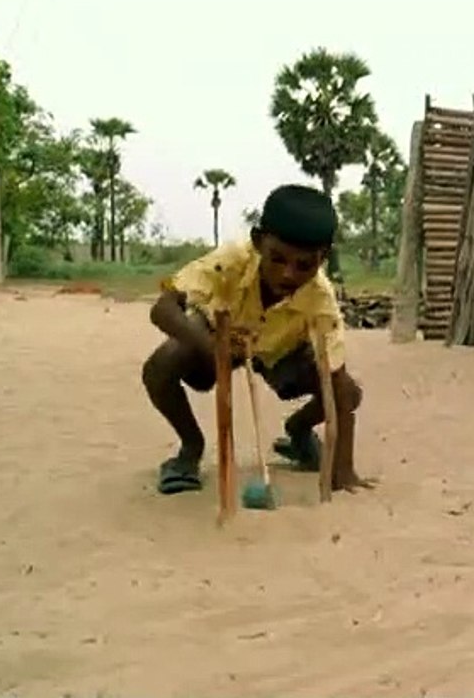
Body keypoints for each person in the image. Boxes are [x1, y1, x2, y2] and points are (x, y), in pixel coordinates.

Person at [142, 184, 370, 495]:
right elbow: (163, 309)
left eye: (304, 265)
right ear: (259, 241)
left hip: (281, 354)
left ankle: (299, 432)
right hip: (220, 340)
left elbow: (337, 383)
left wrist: (343, 471)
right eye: (277, 259)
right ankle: (190, 450)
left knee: (349, 393)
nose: (288, 274)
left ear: (323, 258)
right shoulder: (231, 260)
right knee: (160, 365)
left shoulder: (321, 299)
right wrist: (212, 347)